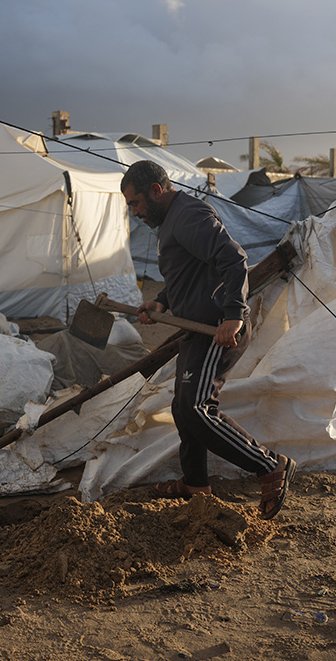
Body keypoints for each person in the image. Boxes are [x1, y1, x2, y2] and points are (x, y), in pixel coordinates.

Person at [121, 160, 294, 520]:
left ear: (155, 190)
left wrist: (233, 314)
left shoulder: (188, 215)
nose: (134, 212)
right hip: (195, 327)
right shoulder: (171, 221)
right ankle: (195, 483)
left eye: (135, 203)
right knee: (183, 409)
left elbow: (233, 259)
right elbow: (190, 270)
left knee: (198, 410)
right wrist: (162, 301)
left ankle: (270, 466)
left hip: (217, 329)